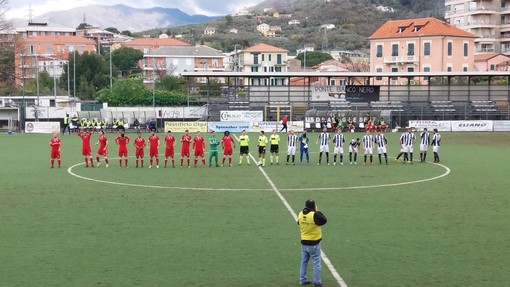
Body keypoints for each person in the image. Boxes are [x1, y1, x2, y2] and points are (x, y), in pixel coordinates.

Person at [297, 199, 327, 287]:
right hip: (314, 244)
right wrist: (317, 211)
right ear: (314, 206)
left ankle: (302, 279)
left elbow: (299, 222)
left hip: (304, 243)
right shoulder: (314, 215)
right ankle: (317, 282)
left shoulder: (300, 214)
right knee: (317, 263)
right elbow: (324, 220)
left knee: (304, 261)